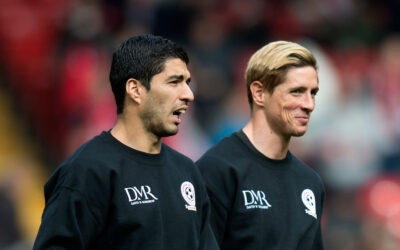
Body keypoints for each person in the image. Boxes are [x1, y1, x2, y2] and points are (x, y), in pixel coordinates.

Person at [34, 34, 219, 250]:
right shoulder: (86, 172)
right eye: (174, 82)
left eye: (187, 83)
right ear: (135, 90)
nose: (188, 95)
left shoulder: (188, 173)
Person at [196, 41, 325, 250]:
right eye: (297, 91)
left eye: (313, 93)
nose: (309, 104)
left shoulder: (310, 182)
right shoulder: (217, 169)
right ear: (258, 93)